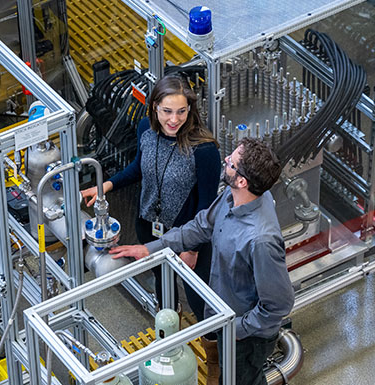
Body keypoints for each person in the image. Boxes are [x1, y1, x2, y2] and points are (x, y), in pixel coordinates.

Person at [110, 138, 294, 385]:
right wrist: (149, 249)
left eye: (232, 162)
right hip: (224, 319)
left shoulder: (260, 239)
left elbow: (279, 306)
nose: (226, 160)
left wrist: (235, 330)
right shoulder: (232, 196)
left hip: (246, 339)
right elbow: (199, 227)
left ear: (242, 181)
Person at [81, 75, 221, 322]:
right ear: (154, 107)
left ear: (190, 110)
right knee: (162, 282)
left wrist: (192, 248)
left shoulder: (204, 149)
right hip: (149, 225)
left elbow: (206, 207)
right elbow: (138, 168)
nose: (174, 119)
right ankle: (168, 330)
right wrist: (104, 186)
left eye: (181, 111)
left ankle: (212, 345)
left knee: (198, 295)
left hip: (187, 235)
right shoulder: (146, 129)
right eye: (167, 111)